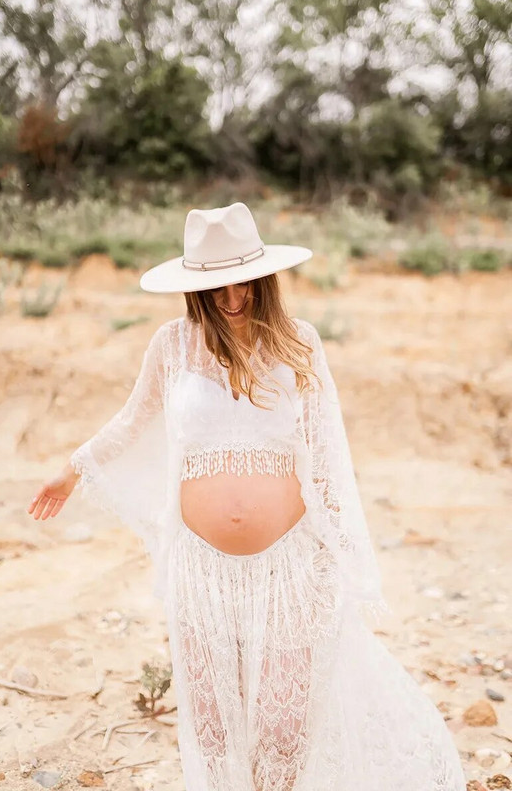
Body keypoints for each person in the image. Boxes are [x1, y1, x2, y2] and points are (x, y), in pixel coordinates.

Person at [28, 202, 466, 790]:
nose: (233, 300)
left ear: (264, 279)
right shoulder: (171, 346)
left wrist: (338, 556)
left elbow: (327, 451)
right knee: (213, 725)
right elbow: (132, 422)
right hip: (201, 570)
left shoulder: (299, 344)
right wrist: (72, 469)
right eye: (216, 289)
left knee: (283, 726)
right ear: (196, 291)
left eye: (244, 285)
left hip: (289, 564)